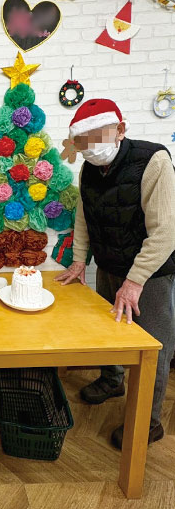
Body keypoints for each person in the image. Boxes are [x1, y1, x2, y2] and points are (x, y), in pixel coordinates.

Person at [56, 98, 175, 449]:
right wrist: (79, 261)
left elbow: (166, 231)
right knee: (107, 332)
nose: (90, 147)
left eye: (97, 136)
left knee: (153, 349)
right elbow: (83, 216)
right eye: (83, 141)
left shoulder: (154, 162)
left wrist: (135, 281)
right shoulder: (89, 169)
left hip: (151, 274)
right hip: (108, 265)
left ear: (120, 129)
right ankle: (112, 379)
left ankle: (149, 422)